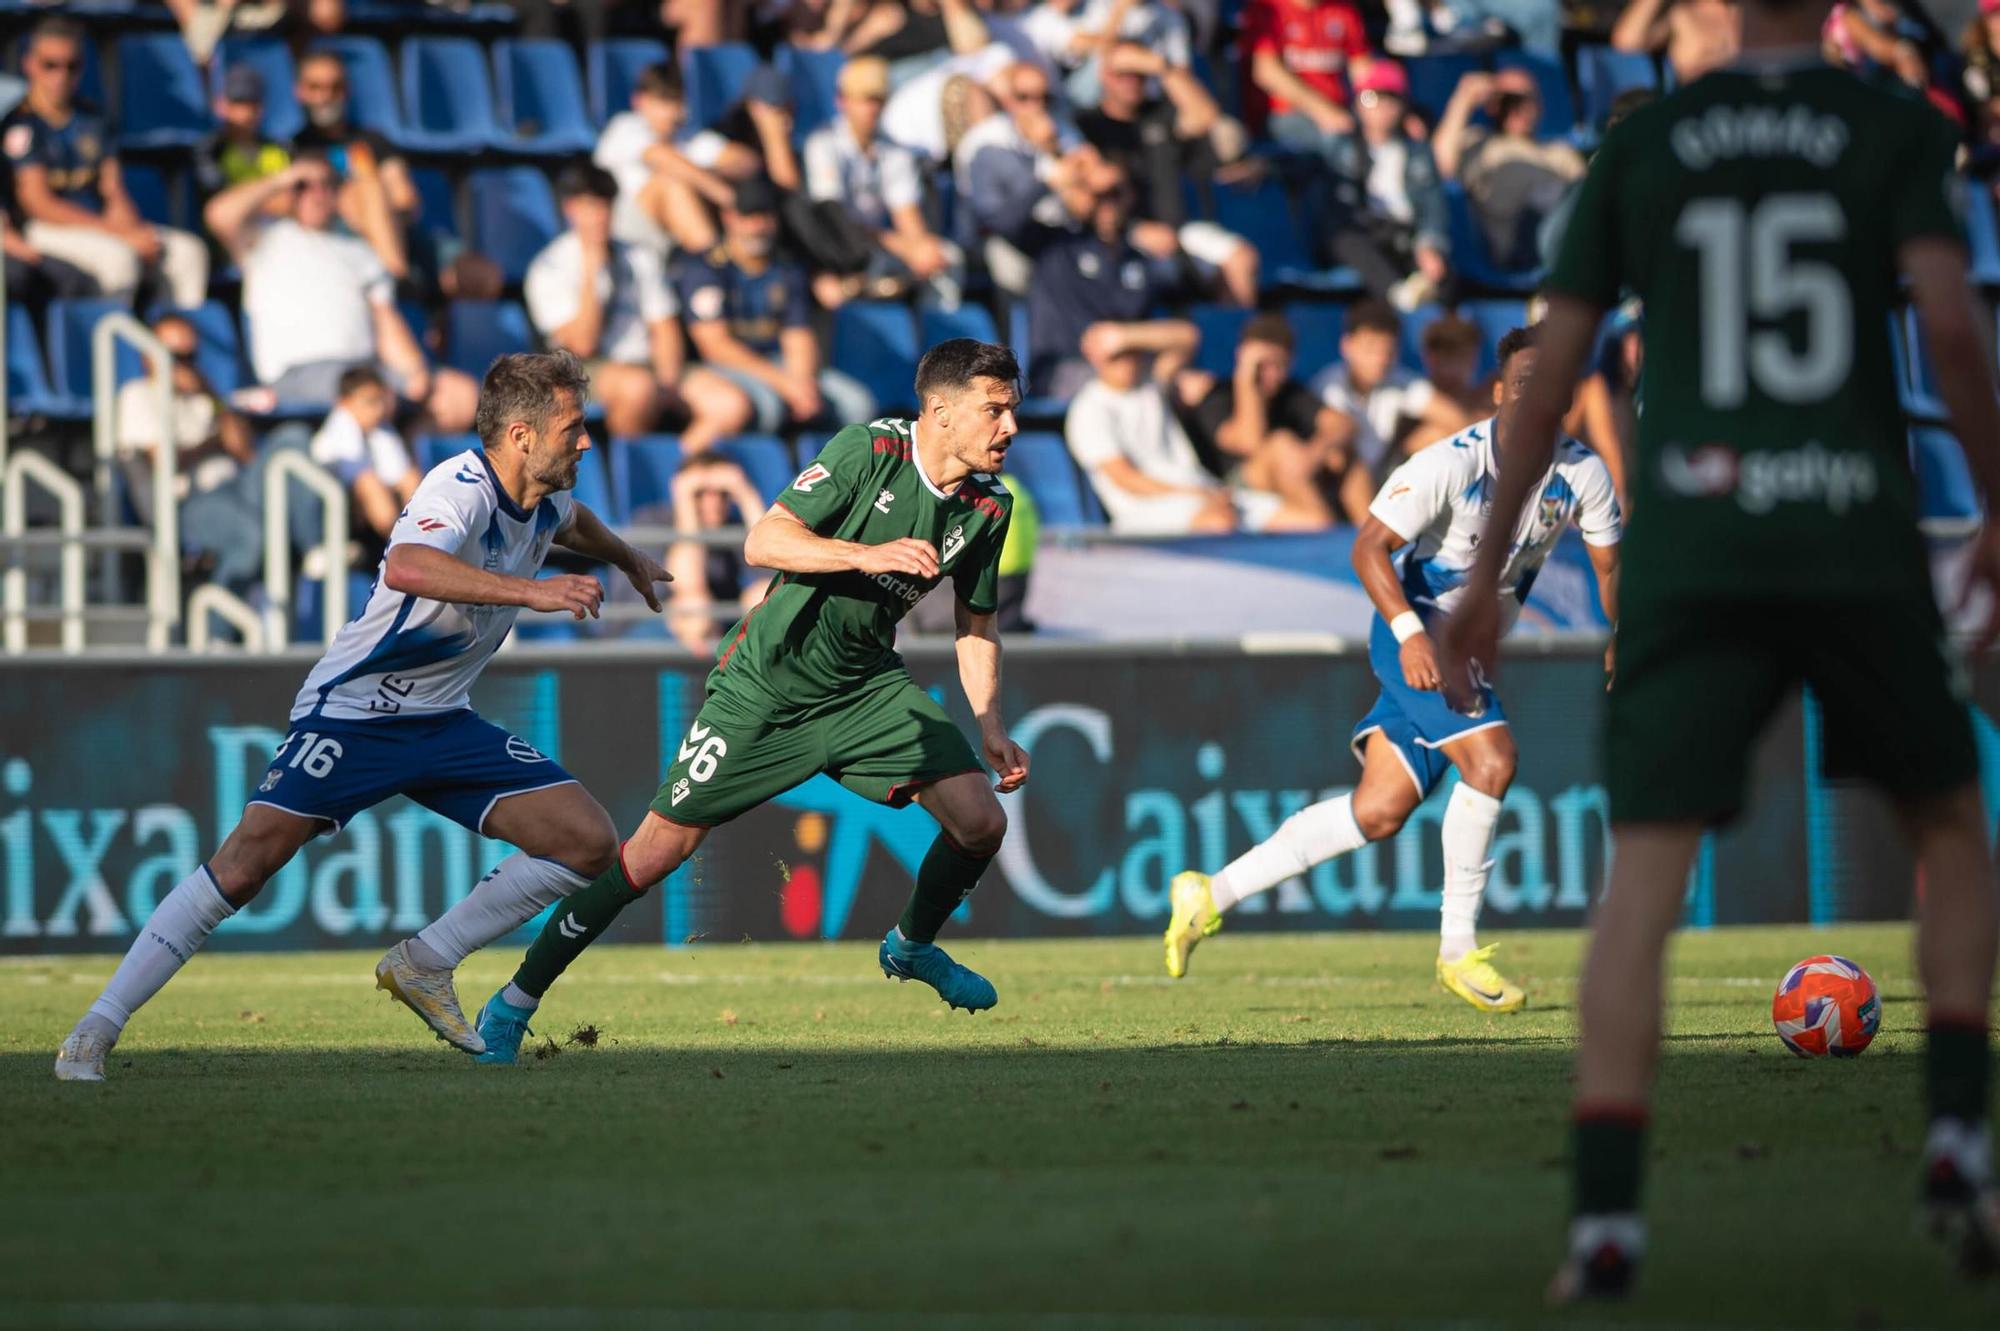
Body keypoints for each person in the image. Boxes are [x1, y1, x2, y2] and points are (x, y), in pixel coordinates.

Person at [1440, 0, 2000, 1297]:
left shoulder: (1646, 146)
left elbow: (1562, 365)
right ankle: (1963, 1134)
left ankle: (1604, 1219)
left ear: (1712, 12)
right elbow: (1956, 335)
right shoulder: (1893, 126)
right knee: (1951, 828)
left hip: (1697, 544)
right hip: (1854, 527)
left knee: (1644, 875)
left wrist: (1481, 581)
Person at [53, 352, 675, 1081]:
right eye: (572, 427)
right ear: (519, 434)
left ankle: (427, 960)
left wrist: (629, 556)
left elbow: (579, 525)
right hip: (358, 711)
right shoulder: (460, 486)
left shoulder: (542, 501)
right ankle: (94, 1028)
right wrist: (530, 593)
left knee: (587, 840)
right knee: (248, 861)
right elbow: (408, 565)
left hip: (441, 719)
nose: (587, 441)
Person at [468, 339, 1032, 1064]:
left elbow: (976, 622)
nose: (1010, 426)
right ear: (941, 411)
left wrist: (989, 722)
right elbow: (765, 540)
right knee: (653, 853)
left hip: (864, 688)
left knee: (981, 821)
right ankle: (514, 1001)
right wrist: (868, 553)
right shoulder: (869, 451)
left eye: (1013, 409)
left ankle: (912, 946)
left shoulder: (990, 505)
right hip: (765, 687)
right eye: (994, 410)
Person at [1164, 324, 1622, 1013]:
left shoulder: (1581, 470)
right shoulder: (1452, 462)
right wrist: (1409, 633)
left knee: (1378, 810)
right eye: (1521, 384)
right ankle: (1457, 950)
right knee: (1492, 762)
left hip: (1468, 645)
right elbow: (1369, 547)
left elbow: (1610, 562)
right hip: (1416, 626)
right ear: (1498, 393)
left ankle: (1210, 891)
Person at [205, 154, 477, 431]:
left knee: (461, 397)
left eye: (327, 185)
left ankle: (405, 463)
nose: (317, 193)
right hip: (298, 372)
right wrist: (284, 177)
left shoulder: (360, 252)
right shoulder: (263, 239)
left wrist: (414, 371)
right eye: (304, 186)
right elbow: (219, 215)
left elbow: (384, 317)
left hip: (365, 369)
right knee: (371, 397)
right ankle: (381, 468)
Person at [526, 164, 750, 446]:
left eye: (606, 207)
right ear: (571, 210)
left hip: (648, 363)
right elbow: (582, 343)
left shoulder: (639, 256)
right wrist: (593, 272)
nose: (600, 217)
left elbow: (664, 326)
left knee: (730, 404)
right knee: (638, 389)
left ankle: (678, 469)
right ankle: (632, 471)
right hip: (585, 368)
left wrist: (668, 381)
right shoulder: (550, 266)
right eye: (590, 207)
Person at [2, 17, 209, 308]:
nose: (60, 75)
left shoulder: (92, 117)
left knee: (188, 253)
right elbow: (39, 203)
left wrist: (133, 229)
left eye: (71, 65)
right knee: (119, 260)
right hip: (46, 229)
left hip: (100, 223)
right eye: (50, 64)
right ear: (30, 65)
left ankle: (176, 342)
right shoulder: (21, 123)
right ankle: (113, 348)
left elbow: (113, 189)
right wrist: (120, 234)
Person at [679, 175, 876, 432]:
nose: (756, 226)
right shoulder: (707, 268)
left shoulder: (786, 268)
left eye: (763, 216)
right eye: (747, 217)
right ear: (729, 217)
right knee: (769, 407)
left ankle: (835, 471)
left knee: (857, 405)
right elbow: (714, 346)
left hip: (778, 363)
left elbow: (798, 335)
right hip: (721, 368)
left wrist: (803, 384)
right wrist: (784, 384)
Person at [1077, 42, 1257, 307]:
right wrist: (1130, 227)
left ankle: (1244, 339)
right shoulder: (1087, 124)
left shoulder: (1159, 113)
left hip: (1178, 227)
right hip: (1118, 230)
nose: (1131, 82)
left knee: (1241, 258)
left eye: (1138, 75)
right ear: (1104, 76)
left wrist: (1159, 65)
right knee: (1163, 272)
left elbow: (1205, 116)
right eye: (1122, 74)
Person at [115, 313, 263, 593]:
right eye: (174, 356)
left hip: (234, 492)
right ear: (149, 357)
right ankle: (217, 631)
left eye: (190, 355)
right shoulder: (136, 395)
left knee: (286, 446)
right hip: (187, 503)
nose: (184, 365)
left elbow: (245, 452)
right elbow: (163, 462)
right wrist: (213, 445)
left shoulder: (203, 399)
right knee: (250, 536)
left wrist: (211, 395)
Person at [1022, 156, 1193, 399]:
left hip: (1126, 364)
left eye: (1115, 192)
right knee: (1130, 383)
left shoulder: (1136, 257)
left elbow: (1190, 296)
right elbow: (1000, 218)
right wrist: (1053, 181)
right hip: (1064, 368)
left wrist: (1123, 337)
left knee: (1190, 381)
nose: (1106, 202)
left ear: (1130, 195)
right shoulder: (1054, 245)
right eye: (1096, 193)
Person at [800, 56, 965, 307]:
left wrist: (920, 249)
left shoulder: (893, 149)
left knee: (945, 257)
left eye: (879, 100)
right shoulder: (823, 144)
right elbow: (833, 219)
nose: (873, 108)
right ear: (842, 101)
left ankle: (941, 343)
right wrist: (905, 247)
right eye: (865, 100)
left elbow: (906, 214)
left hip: (876, 245)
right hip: (831, 250)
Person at [1175, 312, 1346, 527]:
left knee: (1338, 455)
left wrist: (1313, 455)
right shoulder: (1217, 396)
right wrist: (1246, 381)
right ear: (1241, 359)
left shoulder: (1291, 393)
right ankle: (1328, 540)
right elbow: (1249, 442)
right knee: (1281, 445)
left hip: (1287, 481)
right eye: (1262, 365)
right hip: (1229, 491)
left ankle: (1369, 539)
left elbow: (1342, 425)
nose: (1269, 373)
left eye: (1278, 365)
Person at [1308, 300, 1465, 522]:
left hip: (1388, 479)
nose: (1380, 359)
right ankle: (1366, 533)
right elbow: (1335, 452)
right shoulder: (1328, 386)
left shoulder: (1400, 380)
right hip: (1338, 487)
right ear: (1347, 346)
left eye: (1388, 350)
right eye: (1370, 348)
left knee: (1437, 436)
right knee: (1344, 457)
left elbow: (1454, 419)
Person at [1317, 59, 1451, 310]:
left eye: (1391, 98)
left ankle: (1443, 325)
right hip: (1362, 232)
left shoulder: (1418, 153)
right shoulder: (1339, 147)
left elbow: (1433, 204)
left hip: (1404, 236)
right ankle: (1399, 294)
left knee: (1443, 272)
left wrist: (1429, 244)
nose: (1381, 107)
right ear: (1357, 103)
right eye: (1370, 98)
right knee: (1347, 239)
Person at [1434, 68, 1585, 273]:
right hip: (1517, 247)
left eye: (1527, 101)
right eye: (1510, 100)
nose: (1519, 109)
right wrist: (1464, 100)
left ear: (1539, 107)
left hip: (1565, 237)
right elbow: (1438, 169)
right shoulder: (1479, 143)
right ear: (1493, 105)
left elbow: (1589, 202)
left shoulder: (1559, 152)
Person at [290, 50, 415, 279]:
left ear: (346, 90)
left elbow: (404, 198)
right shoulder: (294, 149)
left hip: (399, 231)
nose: (326, 96)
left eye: (335, 87)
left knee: (482, 275)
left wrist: (373, 208)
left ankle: (395, 274)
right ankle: (397, 277)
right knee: (363, 189)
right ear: (300, 92)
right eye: (315, 87)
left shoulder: (374, 140)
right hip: (336, 240)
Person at [592, 60, 734, 254]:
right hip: (621, 231)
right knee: (673, 183)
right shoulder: (625, 126)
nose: (673, 112)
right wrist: (722, 192)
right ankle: (714, 263)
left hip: (668, 240)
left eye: (678, 101)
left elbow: (744, 161)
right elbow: (661, 156)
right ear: (639, 101)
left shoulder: (691, 137)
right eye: (664, 101)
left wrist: (709, 175)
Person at [663, 451, 770, 655]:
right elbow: (686, 584)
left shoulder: (733, 527)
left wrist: (746, 494)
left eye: (723, 493)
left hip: (716, 627)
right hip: (652, 627)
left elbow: (774, 576)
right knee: (695, 608)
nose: (713, 502)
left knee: (763, 596)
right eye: (700, 493)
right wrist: (686, 505)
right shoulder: (654, 520)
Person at [308, 365, 418, 550]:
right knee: (369, 484)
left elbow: (404, 477)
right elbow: (366, 483)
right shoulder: (339, 427)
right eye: (370, 402)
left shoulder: (382, 431)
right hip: (332, 515)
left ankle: (424, 545)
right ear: (343, 403)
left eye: (381, 401)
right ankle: (403, 551)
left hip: (367, 515)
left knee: (411, 478)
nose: (378, 409)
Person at [1241, 0, 1371, 140]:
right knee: (1338, 142)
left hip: (1339, 109)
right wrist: (1324, 112)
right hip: (1285, 113)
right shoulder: (1269, 8)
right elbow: (1266, 72)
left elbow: (1362, 68)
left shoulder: (1343, 9)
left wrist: (1371, 106)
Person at [193, 64, 291, 203]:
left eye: (253, 103)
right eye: (238, 102)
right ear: (220, 105)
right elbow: (219, 200)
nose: (246, 111)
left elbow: (293, 199)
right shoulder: (209, 150)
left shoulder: (282, 147)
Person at [1611, 0, 1743, 82]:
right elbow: (1629, 41)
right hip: (1695, 110)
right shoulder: (1683, 14)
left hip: (1746, 112)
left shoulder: (1751, 15)